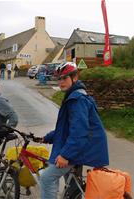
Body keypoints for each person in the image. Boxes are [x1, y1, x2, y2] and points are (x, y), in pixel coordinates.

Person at [33, 62, 109, 199]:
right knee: (72, 187)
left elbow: (79, 132)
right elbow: (65, 129)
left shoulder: (77, 99)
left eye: (65, 78)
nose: (61, 82)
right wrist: (47, 137)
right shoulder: (73, 96)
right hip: (81, 147)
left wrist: (66, 155)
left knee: (47, 178)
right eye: (59, 78)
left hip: (81, 148)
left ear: (75, 77)